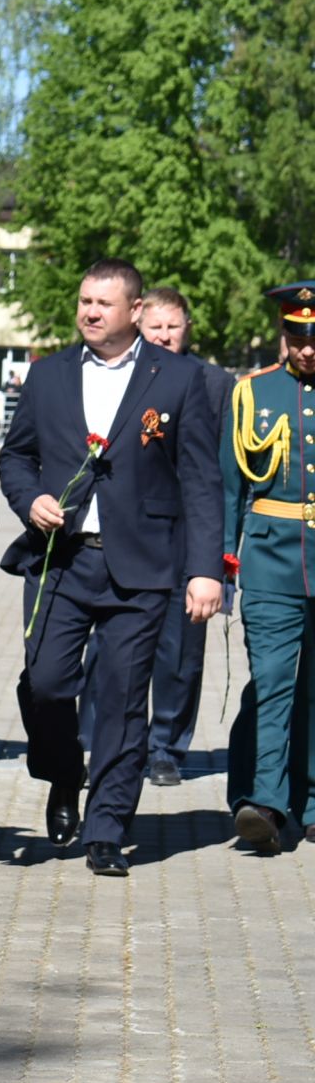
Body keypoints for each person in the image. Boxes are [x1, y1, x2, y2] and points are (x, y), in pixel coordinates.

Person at [0, 258, 220, 877]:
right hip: (61, 563)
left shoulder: (178, 379)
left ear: (136, 311)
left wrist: (206, 570)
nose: (90, 312)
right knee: (44, 683)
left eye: (103, 303)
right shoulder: (47, 376)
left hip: (143, 565)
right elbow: (15, 459)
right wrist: (29, 499)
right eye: (84, 301)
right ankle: (64, 773)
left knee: (123, 701)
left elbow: (202, 480)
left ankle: (107, 827)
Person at [113, 287, 234, 785]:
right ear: (139, 326)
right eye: (156, 326)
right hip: (132, 533)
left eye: (173, 327)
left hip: (191, 532)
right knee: (114, 647)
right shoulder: (122, 375)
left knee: (181, 649)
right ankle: (111, 742)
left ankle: (167, 745)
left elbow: (224, 470)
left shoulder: (215, 383)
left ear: (188, 329)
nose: (164, 335)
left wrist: (221, 554)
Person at [220, 283, 315, 853]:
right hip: (270, 559)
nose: (307, 350)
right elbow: (230, 488)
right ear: (284, 334)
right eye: (299, 338)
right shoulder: (253, 393)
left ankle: (309, 800)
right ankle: (266, 805)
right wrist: (219, 564)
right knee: (275, 681)